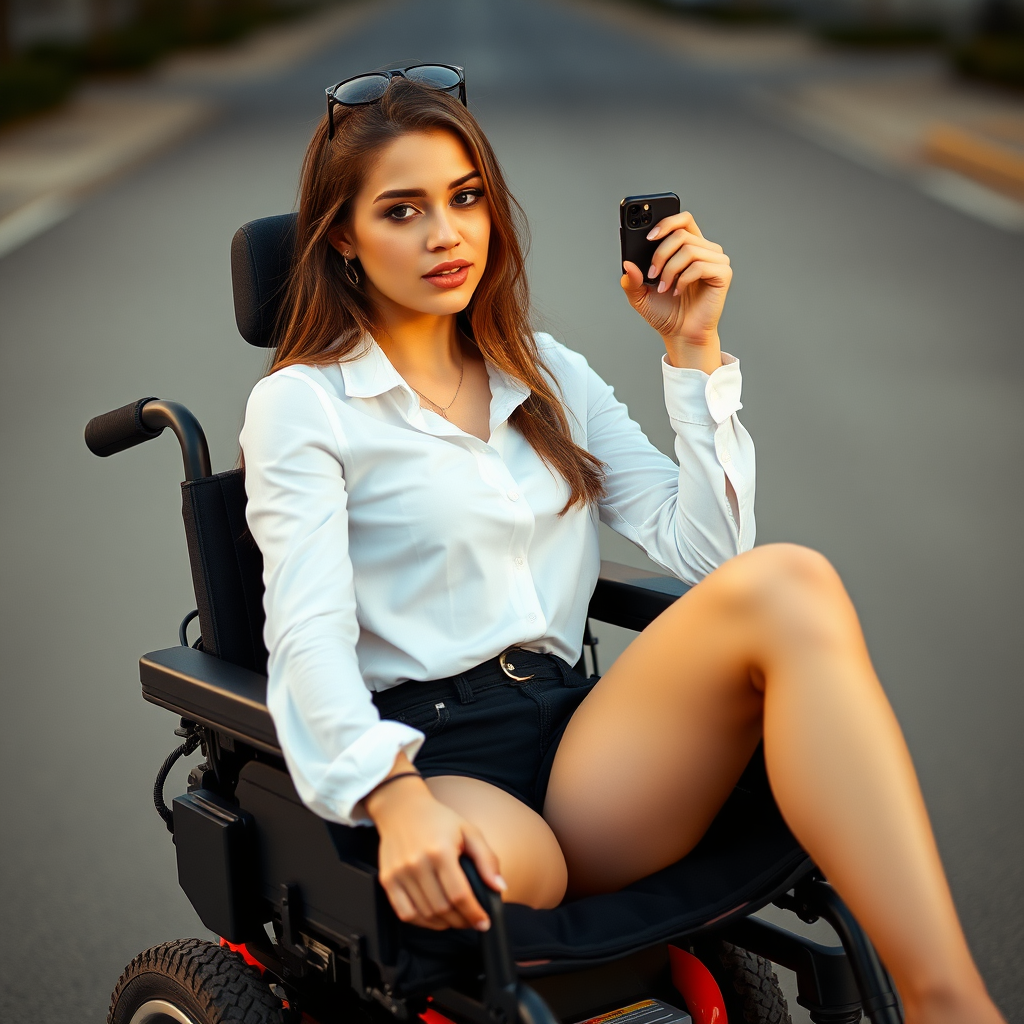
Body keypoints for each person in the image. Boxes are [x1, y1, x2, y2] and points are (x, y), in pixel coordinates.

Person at [238, 67, 1004, 1024]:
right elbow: (305, 638)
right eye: (403, 210)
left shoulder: (544, 369)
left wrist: (694, 351)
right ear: (342, 237)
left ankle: (948, 1001)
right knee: (531, 879)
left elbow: (710, 556)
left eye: (466, 198)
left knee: (787, 582)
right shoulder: (303, 408)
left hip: (583, 747)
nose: (448, 235)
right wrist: (392, 801)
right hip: (433, 756)